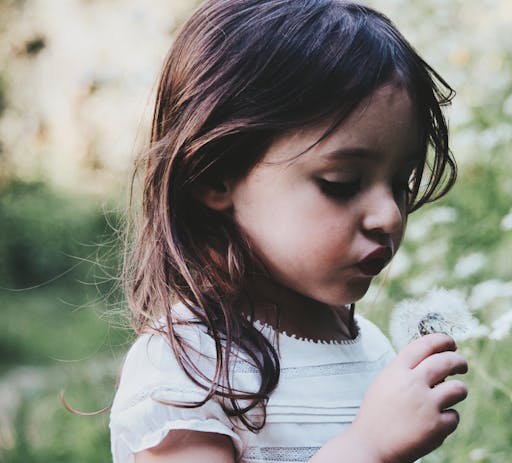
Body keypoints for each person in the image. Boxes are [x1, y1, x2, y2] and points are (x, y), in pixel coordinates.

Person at [109, 1, 467, 462]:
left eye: (402, 183)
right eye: (341, 184)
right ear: (215, 175)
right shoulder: (189, 367)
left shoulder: (372, 348)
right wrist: (367, 448)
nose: (390, 216)